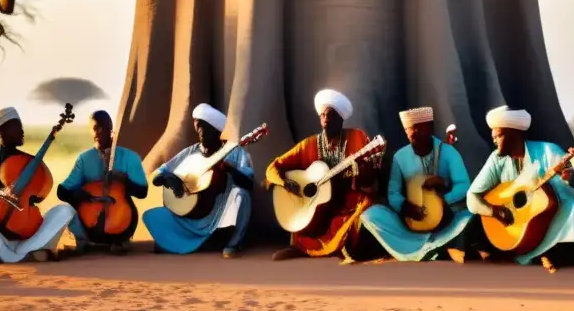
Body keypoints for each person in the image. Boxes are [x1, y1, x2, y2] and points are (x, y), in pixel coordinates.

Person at [463, 105, 574, 272]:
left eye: (498, 136)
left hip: (545, 217)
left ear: (514, 134)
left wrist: (571, 177)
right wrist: (493, 211)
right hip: (516, 222)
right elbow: (472, 195)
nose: (494, 141)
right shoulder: (497, 159)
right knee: (472, 222)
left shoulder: (549, 151)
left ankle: (553, 252)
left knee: (571, 204)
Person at [265, 89, 378, 261]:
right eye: (323, 115)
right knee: (301, 213)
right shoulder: (308, 145)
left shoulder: (356, 138)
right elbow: (273, 167)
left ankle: (343, 247)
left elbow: (369, 177)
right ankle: (300, 247)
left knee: (365, 208)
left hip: (346, 202)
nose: (326, 119)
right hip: (317, 207)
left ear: (341, 119)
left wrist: (363, 171)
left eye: (331, 115)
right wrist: (284, 182)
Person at [0, 107, 75, 264]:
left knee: (66, 210)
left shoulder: (28, 161)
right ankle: (7, 250)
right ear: (0, 132)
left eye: (21, 126)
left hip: (26, 235)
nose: (22, 131)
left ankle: (20, 251)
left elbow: (38, 198)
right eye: (16, 127)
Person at [355, 107, 473, 262]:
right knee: (371, 215)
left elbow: (464, 185)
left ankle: (438, 246)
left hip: (446, 221)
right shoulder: (400, 157)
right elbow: (393, 193)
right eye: (408, 129)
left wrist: (444, 200)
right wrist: (404, 207)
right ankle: (428, 249)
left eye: (417, 127)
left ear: (430, 127)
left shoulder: (448, 153)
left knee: (470, 217)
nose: (412, 133)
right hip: (410, 225)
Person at [143, 103, 254, 259]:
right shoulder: (191, 151)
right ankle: (190, 241)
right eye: (198, 127)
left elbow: (249, 183)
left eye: (205, 127)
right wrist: (169, 179)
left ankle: (233, 244)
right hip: (190, 216)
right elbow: (158, 175)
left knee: (242, 195)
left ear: (217, 130)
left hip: (219, 215)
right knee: (154, 216)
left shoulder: (235, 151)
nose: (200, 132)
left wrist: (230, 169)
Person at [57, 110, 149, 255]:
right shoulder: (84, 159)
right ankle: (84, 241)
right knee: (66, 210)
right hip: (90, 224)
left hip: (121, 223)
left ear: (111, 131)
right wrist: (78, 195)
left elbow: (143, 192)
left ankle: (120, 241)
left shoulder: (130, 157)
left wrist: (124, 181)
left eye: (103, 128)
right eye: (95, 128)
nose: (98, 132)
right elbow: (62, 192)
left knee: (125, 216)